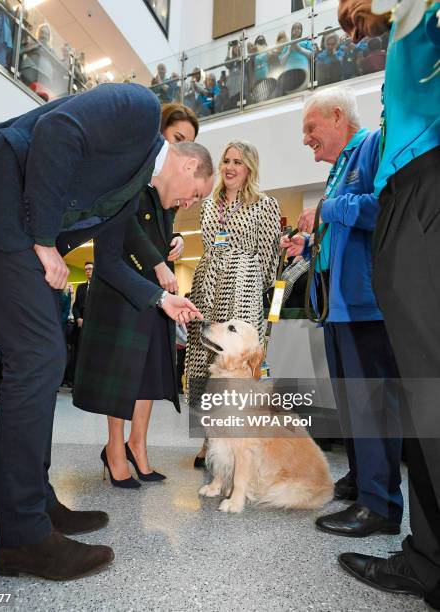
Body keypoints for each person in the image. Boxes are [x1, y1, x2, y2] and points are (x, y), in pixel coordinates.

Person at [0, 83, 213, 581]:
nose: (189, 205)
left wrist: (161, 298)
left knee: (40, 356)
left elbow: (109, 261)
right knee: (41, 356)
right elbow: (56, 130)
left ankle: (37, 506)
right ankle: (22, 538)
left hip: (12, 228)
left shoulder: (128, 193)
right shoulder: (138, 110)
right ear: (190, 164)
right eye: (197, 195)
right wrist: (45, 239)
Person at [335, 2, 440, 609]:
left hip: (426, 183)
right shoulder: (408, 18)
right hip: (410, 187)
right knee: (422, 395)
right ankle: (428, 558)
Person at [283, 86, 404, 536]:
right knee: (352, 406)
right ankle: (361, 480)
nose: (305, 139)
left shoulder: (372, 145)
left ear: (338, 117)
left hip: (366, 307)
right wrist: (309, 243)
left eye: (310, 128)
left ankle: (381, 505)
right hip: (336, 309)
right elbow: (341, 231)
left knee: (372, 406)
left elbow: (384, 208)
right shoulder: (338, 169)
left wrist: (328, 209)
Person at [73, 103, 200, 487]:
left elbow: (159, 229)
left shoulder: (165, 183)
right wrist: (157, 261)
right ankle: (115, 449)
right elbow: (121, 231)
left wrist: (174, 239)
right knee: (120, 373)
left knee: (148, 371)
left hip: (155, 287)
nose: (182, 151)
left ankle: (138, 445)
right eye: (177, 139)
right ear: (157, 132)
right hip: (123, 286)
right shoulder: (128, 173)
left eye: (189, 144)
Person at [185, 140, 281, 467]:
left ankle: (237, 442)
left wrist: (257, 289)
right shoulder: (209, 205)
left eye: (237, 162)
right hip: (208, 285)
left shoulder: (265, 204)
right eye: (226, 160)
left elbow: (270, 256)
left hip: (243, 286)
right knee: (204, 363)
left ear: (249, 168)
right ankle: (209, 440)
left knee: (234, 367)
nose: (229, 167)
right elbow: (209, 246)